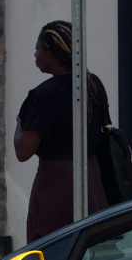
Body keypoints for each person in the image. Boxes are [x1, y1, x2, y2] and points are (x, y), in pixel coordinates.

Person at [15, 20, 110, 242]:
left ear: (51, 53)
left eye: (38, 48)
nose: (35, 54)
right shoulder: (93, 84)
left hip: (56, 187)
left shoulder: (45, 95)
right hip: (92, 180)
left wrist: (20, 122)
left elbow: (23, 151)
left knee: (53, 252)